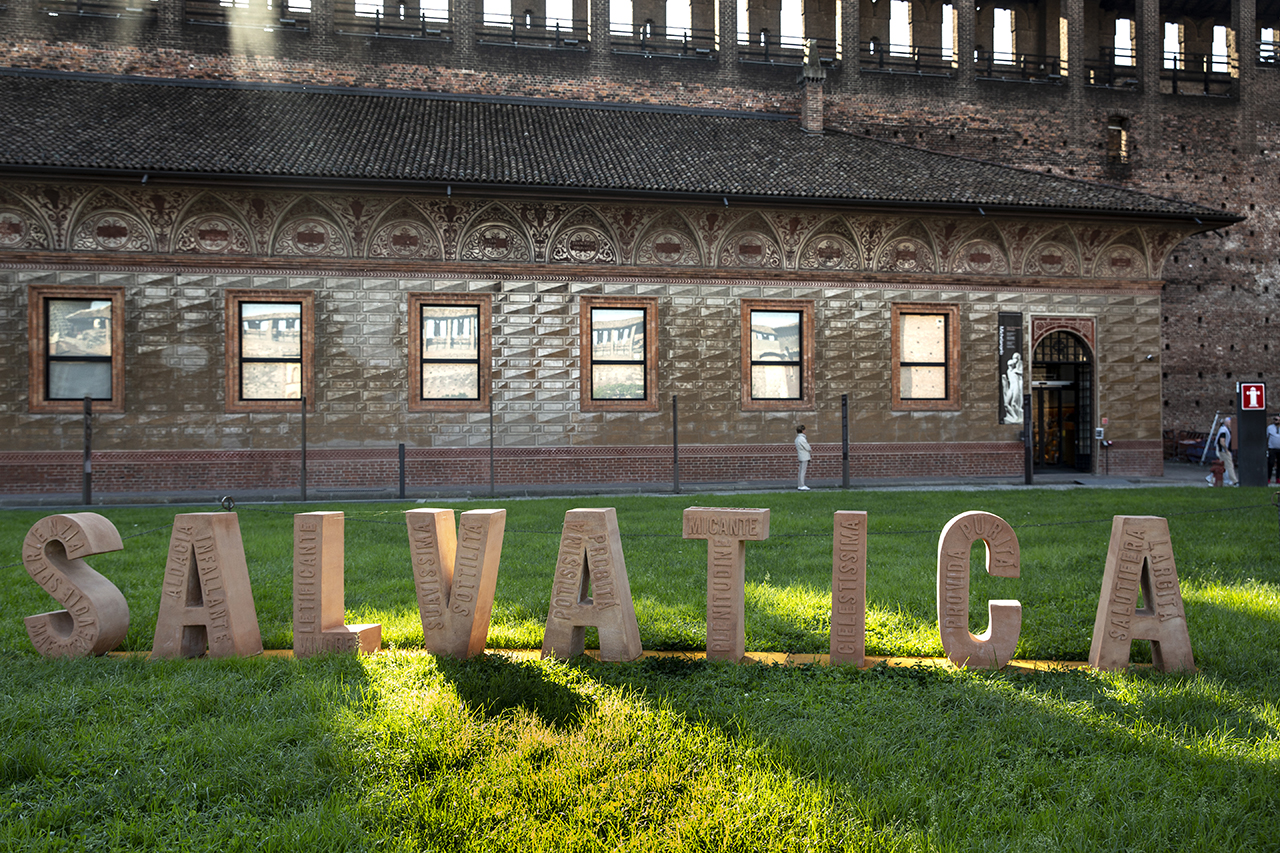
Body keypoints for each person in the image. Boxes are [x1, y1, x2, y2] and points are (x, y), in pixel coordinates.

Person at [1210, 416, 1238, 487]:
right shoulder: (1224, 431)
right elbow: (1222, 441)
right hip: (1224, 451)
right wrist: (1226, 450)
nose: (1230, 424)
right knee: (1229, 466)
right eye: (1229, 422)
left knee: (1220, 467)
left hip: (1221, 451)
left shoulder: (1223, 429)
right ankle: (1234, 481)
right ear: (1226, 423)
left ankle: (1212, 480)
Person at [795, 425, 812, 491]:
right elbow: (807, 447)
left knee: (801, 471)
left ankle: (800, 484)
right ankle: (802, 485)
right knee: (803, 471)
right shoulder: (802, 438)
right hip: (804, 456)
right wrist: (810, 449)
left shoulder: (797, 438)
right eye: (804, 430)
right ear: (802, 430)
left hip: (801, 455)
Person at [1268, 414, 1280, 484]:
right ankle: (1268, 478)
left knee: (1279, 464)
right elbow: (1267, 437)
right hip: (1272, 448)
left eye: (1278, 420)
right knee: (1270, 463)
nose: (1276, 421)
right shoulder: (1270, 428)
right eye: (1275, 419)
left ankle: (1278, 478)